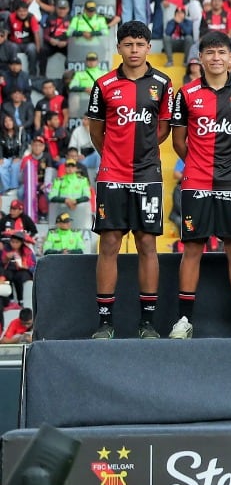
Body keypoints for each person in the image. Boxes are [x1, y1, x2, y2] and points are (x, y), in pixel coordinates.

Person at [87, 20, 172, 340]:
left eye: (140, 44)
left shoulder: (163, 83)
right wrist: (114, 156)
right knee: (108, 242)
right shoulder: (104, 84)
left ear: (148, 47)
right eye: (128, 44)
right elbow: (97, 131)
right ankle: (104, 321)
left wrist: (143, 152)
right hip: (112, 174)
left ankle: (147, 322)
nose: (134, 50)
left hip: (147, 174)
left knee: (147, 242)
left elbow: (162, 128)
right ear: (119, 47)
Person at [168, 31, 231, 339]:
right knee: (192, 248)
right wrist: (200, 164)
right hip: (197, 181)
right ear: (200, 59)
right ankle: (183, 319)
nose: (215, 58)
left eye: (221, 52)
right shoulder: (187, 93)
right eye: (210, 53)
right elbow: (179, 142)